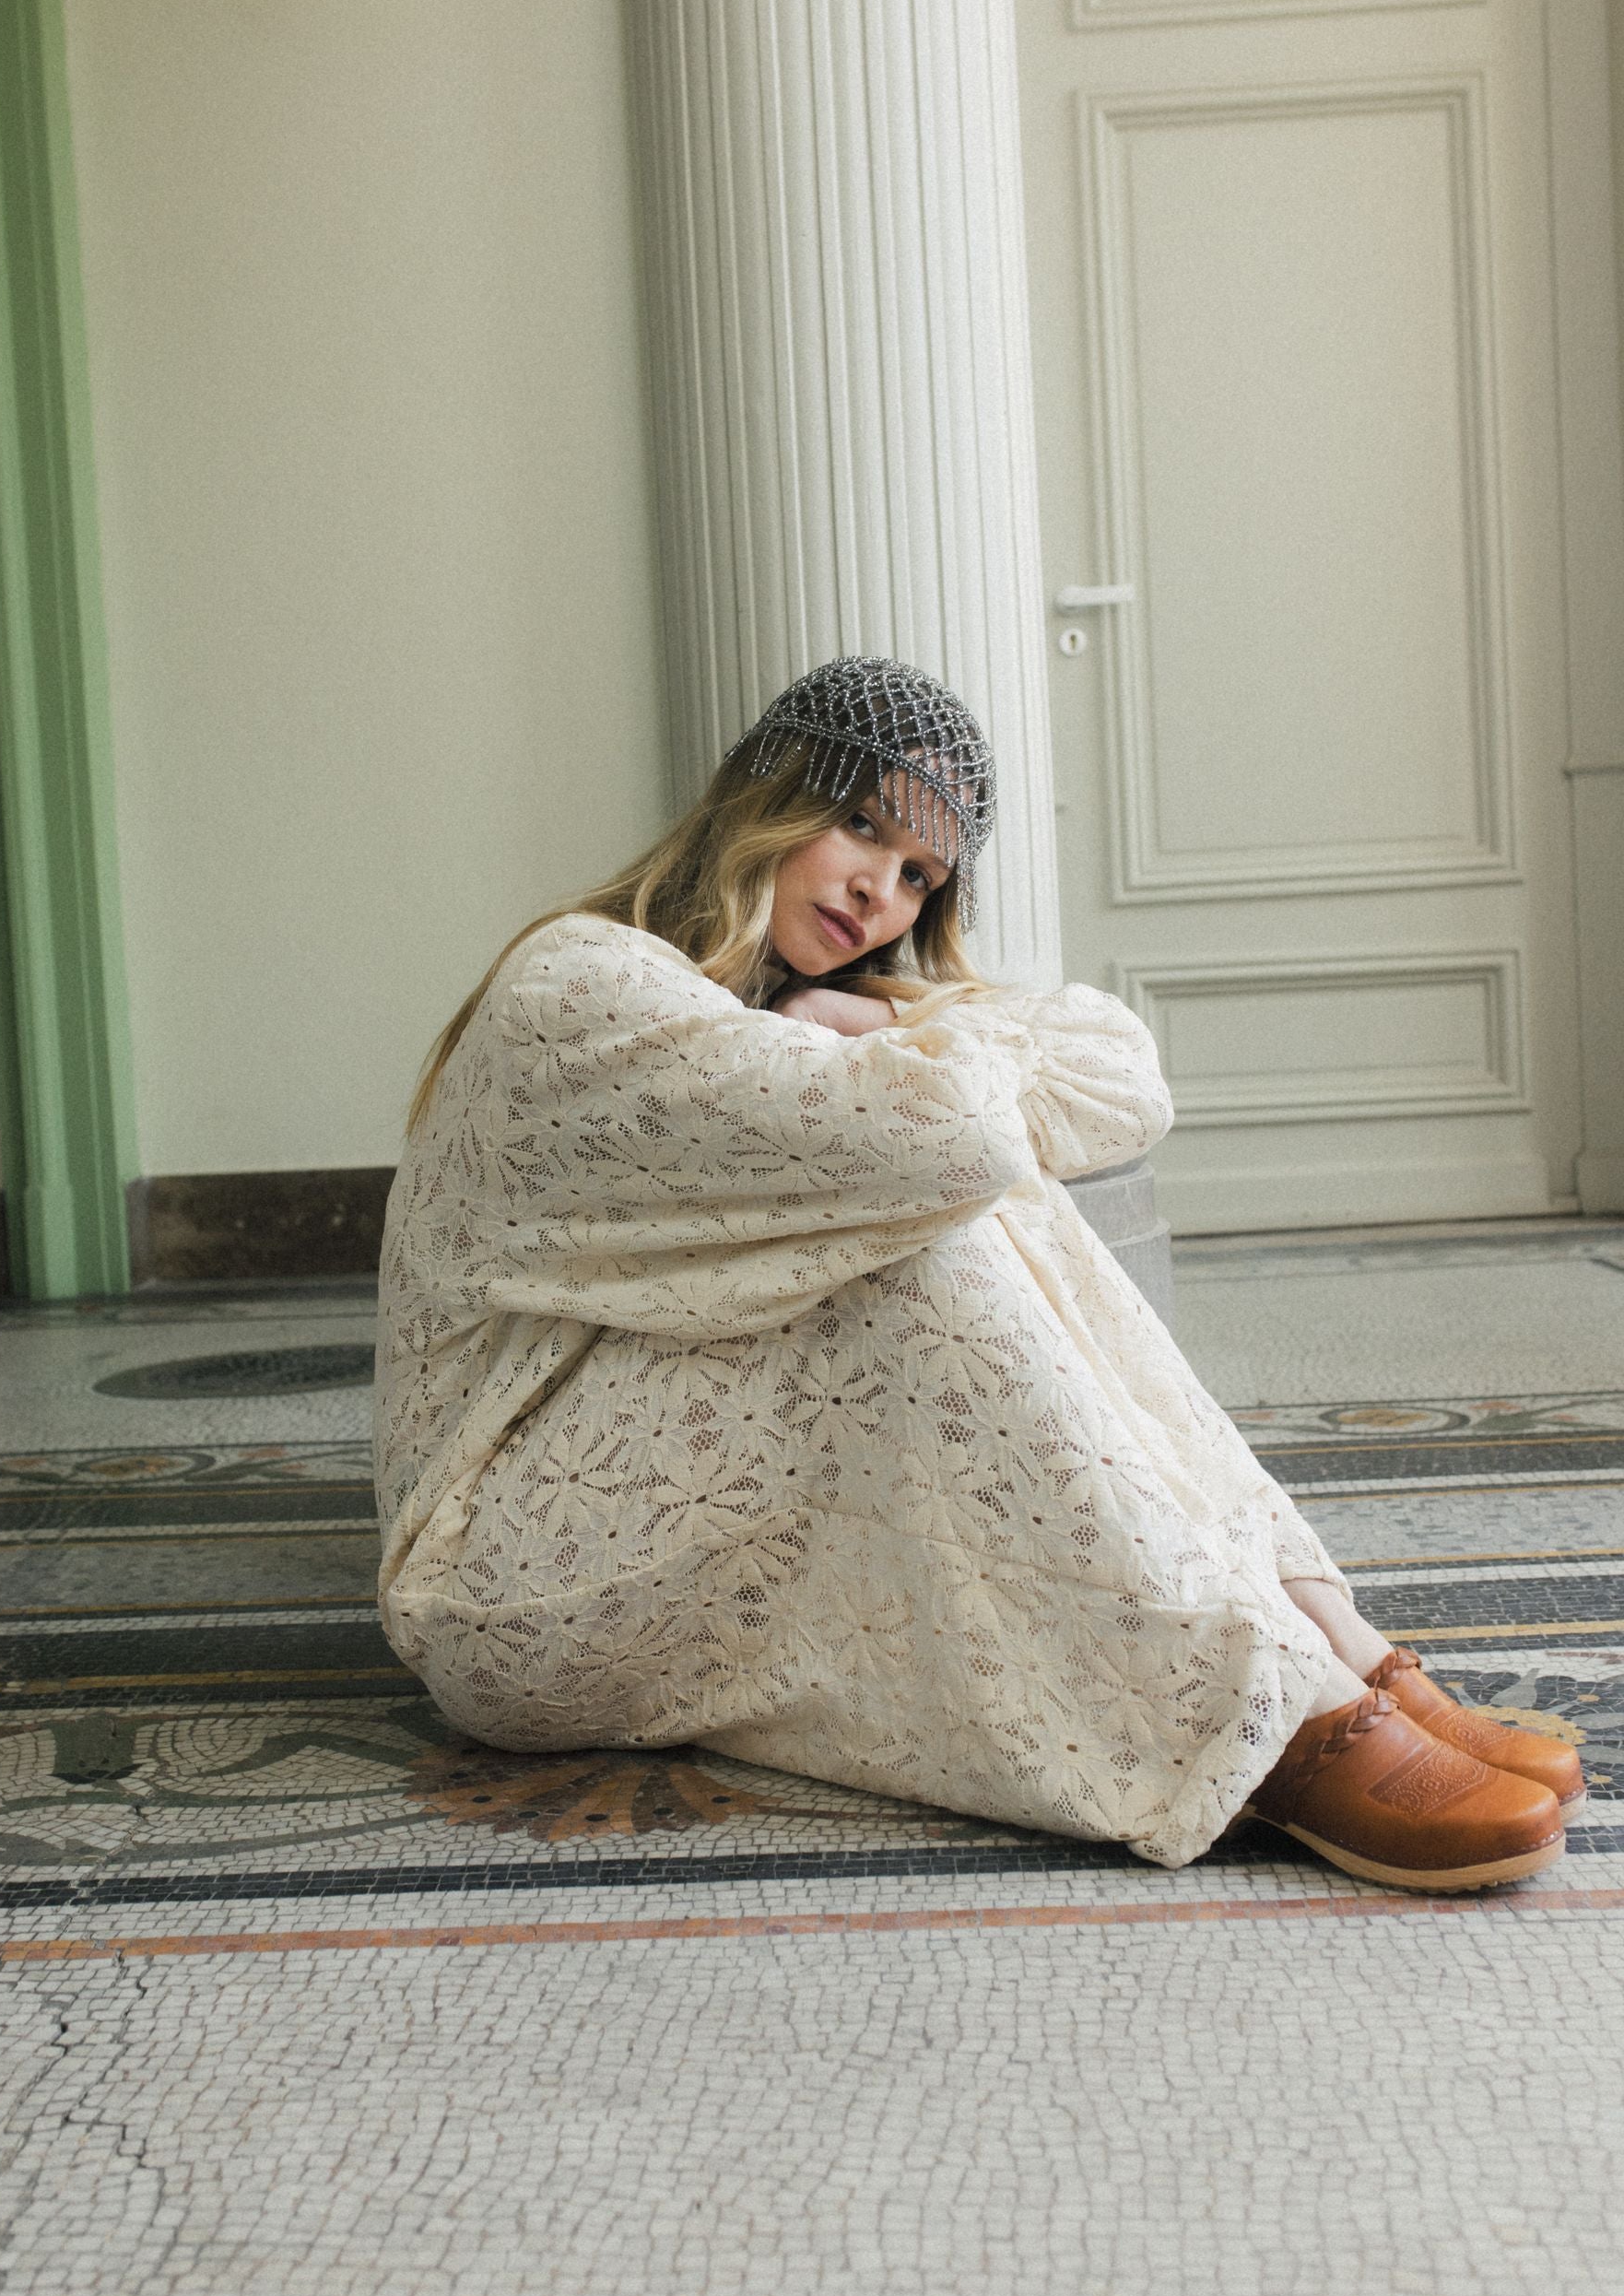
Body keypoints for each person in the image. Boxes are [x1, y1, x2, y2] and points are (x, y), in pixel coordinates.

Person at [374, 656, 1582, 1890]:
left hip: (649, 1518)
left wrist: (880, 1019)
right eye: (861, 825)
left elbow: (1125, 1075)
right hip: (507, 1580)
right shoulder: (582, 984)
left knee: (936, 1188)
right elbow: (960, 1134)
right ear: (766, 795)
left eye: (920, 876)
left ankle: (1324, 1642)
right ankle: (1264, 1710)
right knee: (928, 1219)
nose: (879, 894)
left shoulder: (806, 1002)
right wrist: (924, 1044)